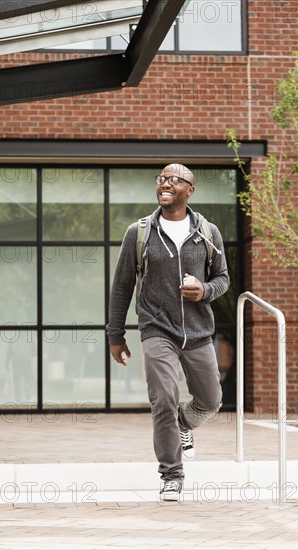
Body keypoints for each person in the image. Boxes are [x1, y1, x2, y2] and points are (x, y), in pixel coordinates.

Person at [106, 163, 230, 501]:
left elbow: (223, 279)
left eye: (175, 180)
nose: (166, 184)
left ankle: (184, 425)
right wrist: (115, 334)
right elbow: (121, 286)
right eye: (161, 179)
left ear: (190, 190)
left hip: (198, 330)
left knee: (211, 400)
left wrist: (203, 290)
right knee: (163, 398)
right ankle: (171, 475)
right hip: (156, 328)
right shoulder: (140, 232)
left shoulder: (208, 232)